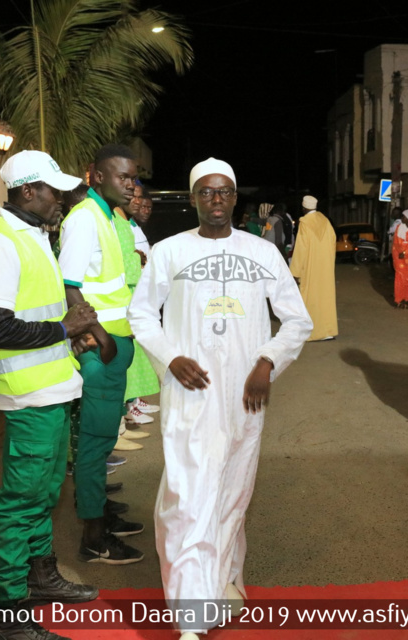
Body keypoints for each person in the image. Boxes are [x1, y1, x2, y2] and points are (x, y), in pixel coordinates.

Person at [129, 158, 312, 640]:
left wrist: (268, 361)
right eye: (206, 192)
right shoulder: (169, 252)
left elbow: (296, 320)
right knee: (188, 496)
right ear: (193, 198)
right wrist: (170, 357)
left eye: (224, 192)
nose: (216, 200)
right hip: (191, 394)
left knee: (232, 493)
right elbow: (142, 315)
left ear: (235, 198)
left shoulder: (263, 253)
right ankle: (190, 615)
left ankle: (223, 586)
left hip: (244, 398)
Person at [0, 150, 100, 639]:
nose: (61, 198)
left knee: (43, 494)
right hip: (28, 395)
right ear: (28, 192)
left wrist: (68, 334)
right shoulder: (1, 245)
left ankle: (40, 577)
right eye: (53, 190)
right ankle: (10, 610)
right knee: (21, 502)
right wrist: (64, 327)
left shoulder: (35, 236)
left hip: (51, 388)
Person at [58, 143, 143, 564]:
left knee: (104, 437)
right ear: (95, 175)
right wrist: (101, 337)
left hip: (114, 342)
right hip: (101, 347)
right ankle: (93, 536)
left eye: (133, 177)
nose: (130, 185)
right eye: (122, 177)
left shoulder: (106, 216)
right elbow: (69, 285)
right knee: (93, 445)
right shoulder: (85, 219)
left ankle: (102, 514)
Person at [113, 181, 160, 430]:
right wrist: (138, 261)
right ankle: (122, 420)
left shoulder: (128, 224)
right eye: (135, 196)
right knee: (125, 367)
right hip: (122, 303)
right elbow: (125, 264)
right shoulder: (115, 222)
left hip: (134, 297)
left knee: (135, 362)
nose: (139, 202)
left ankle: (131, 407)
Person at [290, 195, 338, 341]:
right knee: (326, 298)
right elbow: (333, 241)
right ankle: (328, 331)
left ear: (304, 207)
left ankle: (313, 332)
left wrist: (295, 271)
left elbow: (300, 248)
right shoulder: (325, 221)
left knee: (310, 299)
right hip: (325, 268)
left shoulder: (305, 223)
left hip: (310, 268)